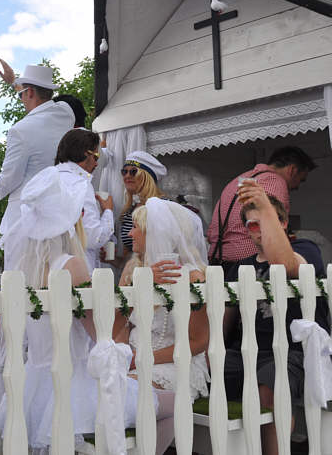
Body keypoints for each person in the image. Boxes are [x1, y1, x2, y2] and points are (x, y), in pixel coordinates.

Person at [0, 164, 173, 455]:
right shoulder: (70, 265)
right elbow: (103, 333)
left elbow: (2, 329)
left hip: (32, 385)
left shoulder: (21, 269)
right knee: (175, 405)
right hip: (74, 382)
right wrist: (137, 295)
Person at [222, 184, 330, 455]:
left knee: (270, 387)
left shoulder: (306, 249)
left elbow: (284, 263)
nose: (258, 229)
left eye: (265, 221)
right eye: (252, 225)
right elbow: (226, 319)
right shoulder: (242, 266)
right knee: (207, 379)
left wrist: (264, 205)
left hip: (292, 351)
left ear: (282, 222)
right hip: (247, 350)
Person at [116, 197, 211, 403]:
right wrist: (124, 355)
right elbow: (118, 325)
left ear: (157, 233)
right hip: (131, 360)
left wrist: (143, 360)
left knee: (127, 394)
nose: (130, 234)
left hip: (175, 363)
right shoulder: (132, 269)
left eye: (135, 227)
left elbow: (198, 341)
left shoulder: (193, 277)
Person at [0, 58, 75, 272]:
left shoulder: (20, 130)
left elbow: (9, 178)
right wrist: (15, 83)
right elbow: (42, 104)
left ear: (30, 92)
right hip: (58, 213)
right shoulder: (66, 114)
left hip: (24, 218)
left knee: (21, 278)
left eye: (21, 94)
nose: (21, 99)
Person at [208, 146, 316, 275]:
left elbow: (212, 232)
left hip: (219, 263)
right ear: (292, 170)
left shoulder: (237, 181)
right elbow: (274, 227)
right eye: (301, 180)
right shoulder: (275, 182)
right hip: (251, 266)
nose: (297, 186)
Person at [55, 129, 114, 271]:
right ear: (85, 153)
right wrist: (108, 212)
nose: (96, 164)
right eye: (96, 157)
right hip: (77, 269)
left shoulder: (48, 178)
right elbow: (93, 238)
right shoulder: (80, 184)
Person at [117, 151, 167, 261]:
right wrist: (113, 260)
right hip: (135, 270)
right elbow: (128, 257)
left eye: (133, 172)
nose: (127, 176)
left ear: (146, 177)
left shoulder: (163, 206)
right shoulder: (129, 210)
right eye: (124, 172)